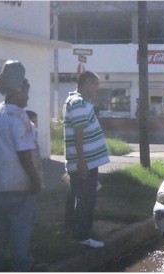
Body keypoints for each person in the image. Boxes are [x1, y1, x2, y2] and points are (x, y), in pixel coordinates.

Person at [0, 60, 41, 271]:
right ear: (18, 90)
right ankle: (22, 266)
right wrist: (35, 180)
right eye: (27, 92)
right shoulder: (19, 116)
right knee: (20, 229)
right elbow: (24, 153)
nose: (28, 97)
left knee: (0, 229)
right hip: (18, 185)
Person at [63, 70, 110, 248]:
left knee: (76, 194)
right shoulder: (79, 103)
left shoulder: (78, 101)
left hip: (83, 161)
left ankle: (71, 230)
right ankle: (83, 235)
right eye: (96, 85)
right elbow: (79, 133)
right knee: (86, 198)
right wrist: (82, 160)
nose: (97, 89)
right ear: (87, 84)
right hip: (85, 162)